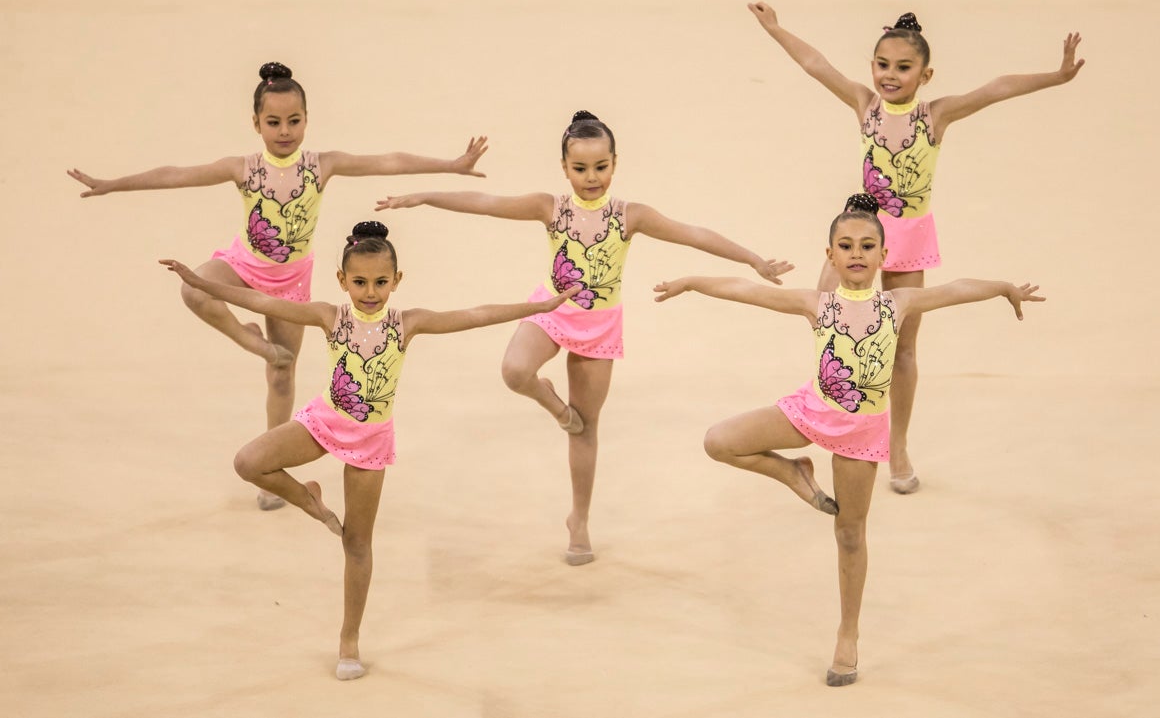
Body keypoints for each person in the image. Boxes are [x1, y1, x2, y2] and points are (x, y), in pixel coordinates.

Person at [160, 221, 580, 681]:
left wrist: (540, 307)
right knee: (248, 462)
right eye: (359, 282)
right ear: (342, 281)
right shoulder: (329, 316)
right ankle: (309, 500)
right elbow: (262, 301)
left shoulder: (408, 323)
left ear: (397, 281)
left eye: (381, 282)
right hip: (323, 422)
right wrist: (201, 283)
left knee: (356, 543)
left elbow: (474, 314)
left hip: (370, 443)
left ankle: (349, 638)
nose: (370, 292)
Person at [652, 194, 1044, 686]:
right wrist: (692, 282)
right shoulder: (817, 303)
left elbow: (958, 288)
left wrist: (1003, 288)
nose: (856, 254)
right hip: (812, 412)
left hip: (861, 433)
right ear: (830, 255)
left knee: (850, 535)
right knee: (719, 441)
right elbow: (743, 289)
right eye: (845, 245)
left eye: (866, 245)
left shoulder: (899, 302)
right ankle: (793, 470)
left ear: (884, 256)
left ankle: (848, 632)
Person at [375, 110, 794, 565]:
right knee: (516, 370)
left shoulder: (630, 216)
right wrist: (422, 196)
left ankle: (579, 519)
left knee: (586, 426)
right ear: (563, 168)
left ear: (615, 163)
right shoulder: (550, 208)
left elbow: (692, 234)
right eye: (580, 169)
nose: (591, 178)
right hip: (553, 309)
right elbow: (487, 202)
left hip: (598, 326)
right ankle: (553, 403)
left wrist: (753, 259)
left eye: (601, 167)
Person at [70, 62, 488, 510]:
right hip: (245, 264)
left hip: (290, 281)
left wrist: (452, 164)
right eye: (273, 122)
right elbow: (176, 173)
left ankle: (272, 469)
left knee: (283, 372)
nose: (285, 131)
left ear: (307, 119)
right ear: (256, 124)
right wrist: (113, 185)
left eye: (294, 121)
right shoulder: (245, 168)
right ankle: (251, 340)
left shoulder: (321, 166)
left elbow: (387, 160)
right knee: (195, 290)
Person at [747, 4, 1081, 494]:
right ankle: (834, 411)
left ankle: (894, 443)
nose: (890, 75)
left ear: (925, 75)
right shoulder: (865, 105)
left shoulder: (935, 114)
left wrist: (1057, 76)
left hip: (909, 236)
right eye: (883, 64)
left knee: (902, 347)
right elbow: (816, 64)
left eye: (903, 68)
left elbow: (996, 88)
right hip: (862, 230)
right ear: (873, 67)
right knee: (824, 316)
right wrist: (776, 29)